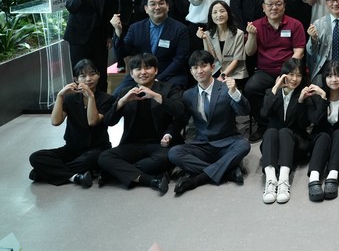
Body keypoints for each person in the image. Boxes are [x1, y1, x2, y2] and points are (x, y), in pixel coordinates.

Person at [98, 53, 184, 195]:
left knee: (165, 159)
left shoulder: (169, 89)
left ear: (156, 70)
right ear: (132, 74)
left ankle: (115, 173)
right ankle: (150, 180)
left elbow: (180, 112)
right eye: (138, 69)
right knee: (104, 157)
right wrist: (122, 101)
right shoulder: (126, 92)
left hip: (160, 144)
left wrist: (156, 96)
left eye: (148, 68)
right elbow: (109, 122)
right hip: (133, 144)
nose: (143, 72)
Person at [167, 51, 250, 195]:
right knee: (174, 153)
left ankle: (198, 179)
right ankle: (227, 172)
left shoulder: (226, 88)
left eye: (203, 66)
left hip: (227, 143)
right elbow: (182, 120)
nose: (199, 71)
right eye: (195, 67)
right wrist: (169, 133)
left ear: (212, 67)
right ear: (191, 71)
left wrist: (235, 92)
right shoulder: (188, 95)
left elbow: (244, 111)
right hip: (203, 145)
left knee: (244, 146)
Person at [28, 59, 116, 187]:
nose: (88, 79)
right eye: (83, 76)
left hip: (96, 148)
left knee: (90, 159)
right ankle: (74, 177)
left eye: (92, 74)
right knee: (36, 157)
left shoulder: (107, 99)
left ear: (98, 75)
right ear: (76, 79)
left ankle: (45, 172)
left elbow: (92, 121)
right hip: (72, 148)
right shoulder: (70, 98)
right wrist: (60, 96)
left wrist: (91, 97)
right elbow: (55, 121)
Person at [243, 0, 306, 135]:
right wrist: (251, 35)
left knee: (297, 87)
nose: (274, 7)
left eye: (278, 4)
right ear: (263, 7)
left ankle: (289, 124)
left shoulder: (295, 24)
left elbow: (299, 52)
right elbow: (250, 52)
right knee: (250, 89)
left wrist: (287, 74)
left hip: (289, 71)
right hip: (265, 71)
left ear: (284, 6)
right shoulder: (256, 25)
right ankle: (264, 124)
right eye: (270, 4)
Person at [111, 0, 190, 94]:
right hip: (141, 74)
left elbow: (180, 60)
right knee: (118, 94)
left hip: (169, 74)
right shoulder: (135, 28)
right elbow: (121, 53)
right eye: (153, 4)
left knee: (170, 95)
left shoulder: (180, 29)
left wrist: (157, 79)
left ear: (167, 6)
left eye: (161, 3)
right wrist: (118, 32)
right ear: (146, 9)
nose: (157, 7)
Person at [260, 58, 313, 204]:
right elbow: (264, 113)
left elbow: (303, 124)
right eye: (291, 74)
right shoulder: (272, 92)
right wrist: (276, 87)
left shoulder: (303, 94)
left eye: (299, 75)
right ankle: (270, 181)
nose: (294, 79)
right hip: (274, 147)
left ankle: (283, 181)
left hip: (294, 146)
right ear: (284, 74)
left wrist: (301, 101)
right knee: (270, 132)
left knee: (284, 132)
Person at [306, 61, 339, 201]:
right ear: (324, 78)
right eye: (329, 76)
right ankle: (314, 178)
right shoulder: (318, 96)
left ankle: (332, 177)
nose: (334, 80)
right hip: (321, 142)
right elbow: (316, 122)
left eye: (338, 75)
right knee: (323, 135)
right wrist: (324, 99)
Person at [64, 0, 116, 92]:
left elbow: (108, 15)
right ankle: (80, 100)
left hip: (99, 37)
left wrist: (109, 36)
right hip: (79, 38)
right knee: (79, 71)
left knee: (100, 71)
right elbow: (72, 9)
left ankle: (102, 100)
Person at [196, 0, 248, 81]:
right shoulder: (207, 34)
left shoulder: (239, 33)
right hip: (215, 72)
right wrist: (204, 39)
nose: (219, 15)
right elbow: (210, 58)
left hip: (235, 74)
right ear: (211, 16)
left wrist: (223, 75)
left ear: (228, 13)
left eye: (222, 11)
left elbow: (236, 60)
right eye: (215, 12)